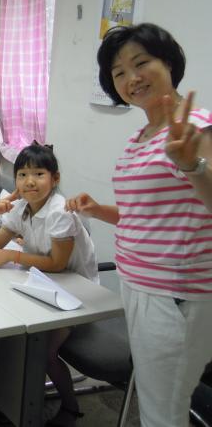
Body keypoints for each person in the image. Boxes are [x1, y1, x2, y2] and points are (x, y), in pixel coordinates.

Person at [66, 23, 212, 427]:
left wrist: (193, 165)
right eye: (119, 72)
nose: (132, 78)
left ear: (169, 63)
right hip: (139, 286)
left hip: (175, 294)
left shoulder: (196, 127)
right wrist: (99, 210)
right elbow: (146, 215)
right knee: (155, 399)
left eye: (141, 62)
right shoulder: (141, 136)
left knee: (162, 412)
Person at [0, 144, 97, 427]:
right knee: (2, 326)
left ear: (55, 179)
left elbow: (57, 263)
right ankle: (7, 400)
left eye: (39, 174)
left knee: (44, 352)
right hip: (41, 285)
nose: (29, 181)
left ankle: (70, 407)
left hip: (75, 294)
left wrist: (12, 256)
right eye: (22, 174)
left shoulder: (59, 211)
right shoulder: (21, 208)